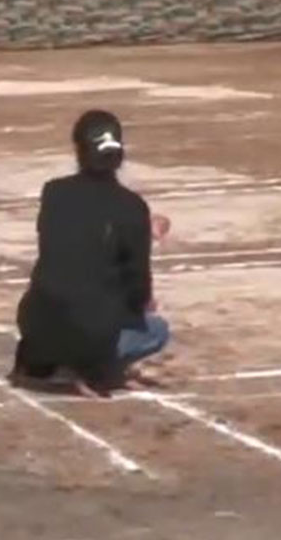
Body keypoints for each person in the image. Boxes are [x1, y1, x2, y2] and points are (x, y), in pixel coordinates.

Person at [12, 110, 169, 397]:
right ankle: (96, 368)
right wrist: (140, 232)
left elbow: (72, 238)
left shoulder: (53, 193)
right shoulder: (131, 207)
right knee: (156, 330)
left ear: (79, 151)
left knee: (74, 302)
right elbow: (138, 290)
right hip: (88, 334)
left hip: (35, 323)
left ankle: (49, 362)